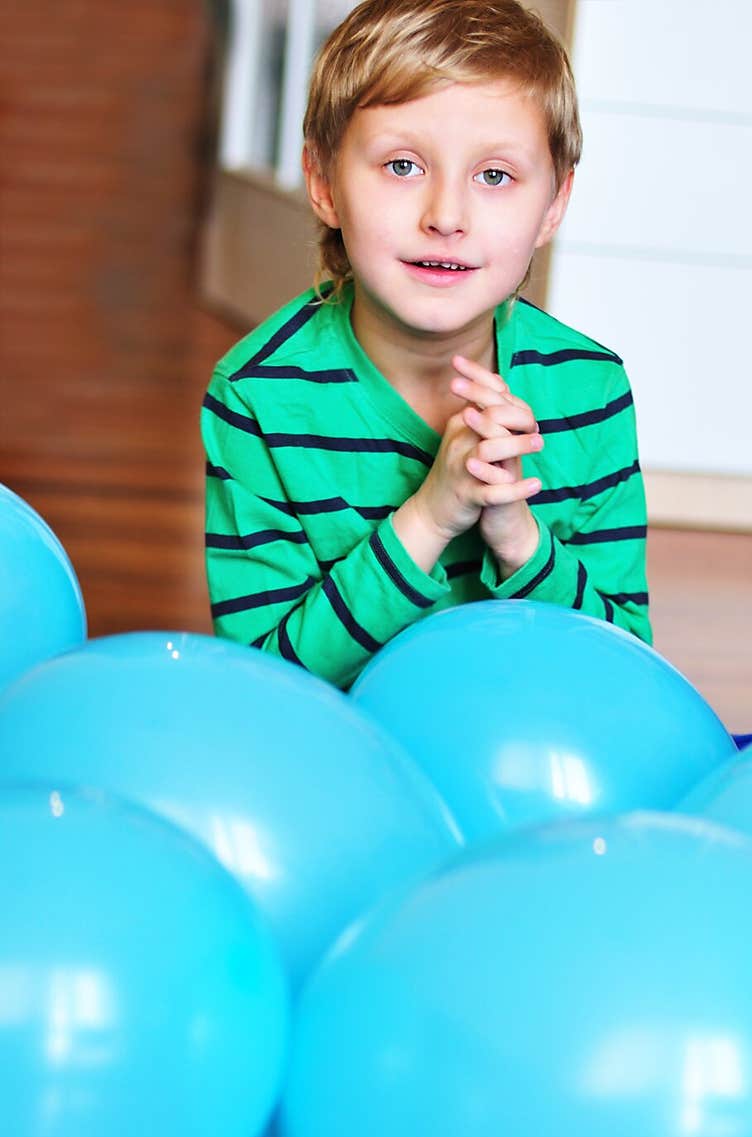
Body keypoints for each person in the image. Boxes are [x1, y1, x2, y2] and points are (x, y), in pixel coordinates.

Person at [202, 0, 651, 691]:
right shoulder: (257, 397)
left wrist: (517, 539)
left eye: (494, 176)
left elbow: (625, 674)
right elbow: (264, 684)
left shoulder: (589, 390)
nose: (446, 216)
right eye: (403, 166)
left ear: (553, 206)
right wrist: (431, 515)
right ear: (323, 183)